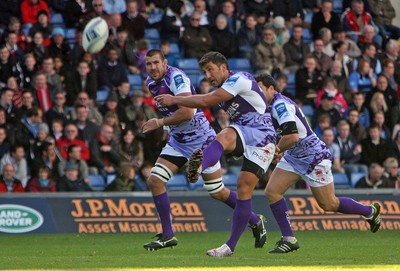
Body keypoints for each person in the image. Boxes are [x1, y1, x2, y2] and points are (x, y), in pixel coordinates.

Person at [154, 51, 275, 257]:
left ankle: (231, 245)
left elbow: (206, 101)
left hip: (262, 136)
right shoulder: (224, 87)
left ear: (224, 68)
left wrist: (174, 99)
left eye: (210, 69)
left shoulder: (239, 79)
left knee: (243, 188)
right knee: (225, 135)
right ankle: (199, 165)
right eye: (204, 71)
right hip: (243, 132)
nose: (207, 75)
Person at [255, 73, 381, 253]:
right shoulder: (265, 107)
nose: (257, 93)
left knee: (329, 204)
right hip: (294, 155)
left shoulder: (280, 105)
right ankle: (289, 239)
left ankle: (369, 211)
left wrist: (276, 150)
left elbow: (292, 136)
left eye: (260, 89)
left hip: (313, 156)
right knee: (272, 192)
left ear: (271, 89)